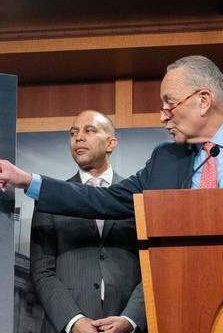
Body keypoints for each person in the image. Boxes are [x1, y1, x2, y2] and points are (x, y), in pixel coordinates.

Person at [0, 55, 223, 220]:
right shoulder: (165, 160)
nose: (162, 115)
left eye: (170, 104)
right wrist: (27, 180)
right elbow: (104, 201)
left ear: (203, 101)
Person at [31, 110, 144, 333]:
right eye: (73, 133)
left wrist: (130, 319)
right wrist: (74, 321)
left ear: (111, 143)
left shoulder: (137, 196)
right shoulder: (50, 198)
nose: (78, 137)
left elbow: (153, 267)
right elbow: (42, 270)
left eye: (89, 130)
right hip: (65, 327)